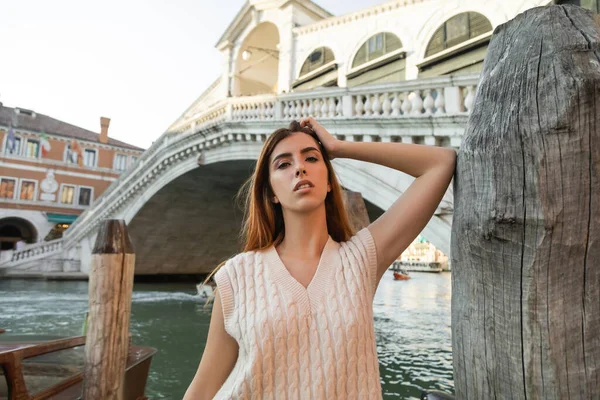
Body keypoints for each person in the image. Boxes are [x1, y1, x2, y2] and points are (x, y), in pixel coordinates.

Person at [183, 118, 456, 399]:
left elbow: (441, 162)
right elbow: (203, 387)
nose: (299, 168)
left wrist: (339, 147)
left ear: (328, 182)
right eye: (283, 164)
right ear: (272, 193)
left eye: (311, 158)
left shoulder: (361, 259)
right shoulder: (237, 275)